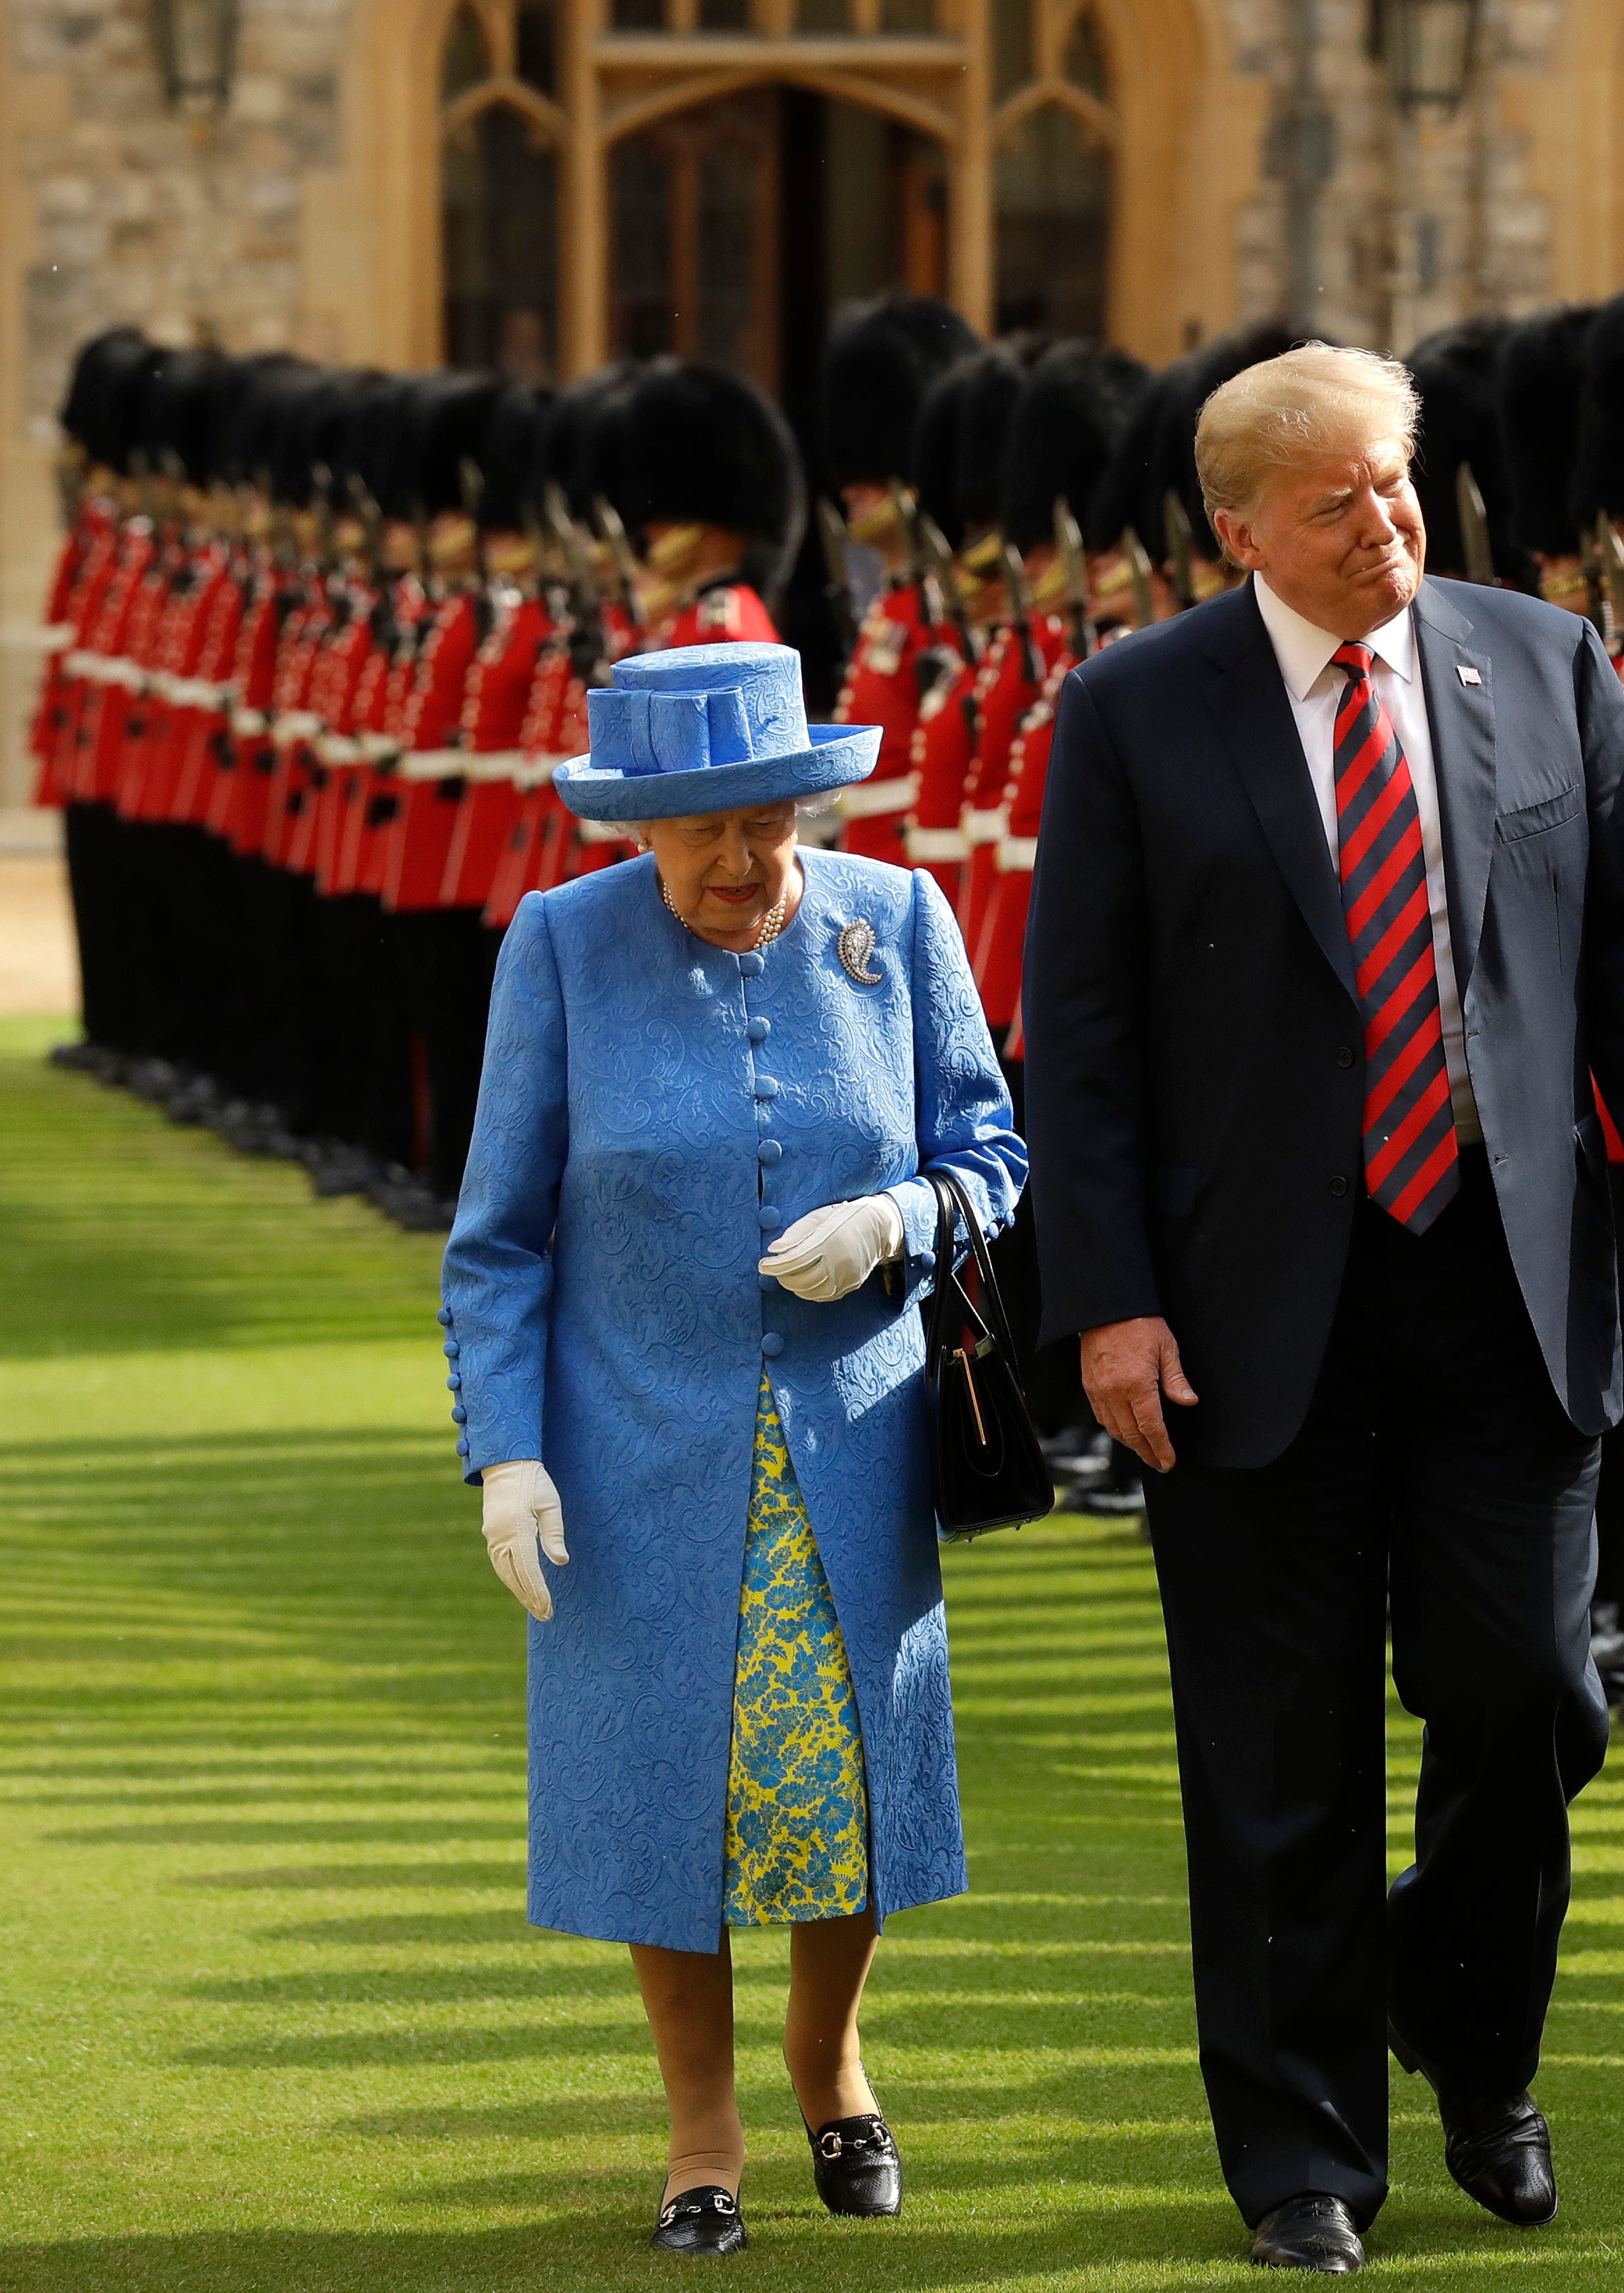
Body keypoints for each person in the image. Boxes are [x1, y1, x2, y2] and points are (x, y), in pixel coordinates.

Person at [1017, 342, 1624, 2274]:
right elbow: (1075, 1039)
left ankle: (1472, 2022)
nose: (1383, 528)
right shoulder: (1132, 708)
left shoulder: (1547, 661)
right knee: (1280, 1748)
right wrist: (1106, 1301)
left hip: (1506, 1282)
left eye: (1402, 484)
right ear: (1238, 526)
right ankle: (1303, 2153)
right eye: (1336, 501)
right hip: (1247, 1303)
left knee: (1527, 1691)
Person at [441, 637, 1027, 2255]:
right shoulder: (560, 946)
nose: (738, 859)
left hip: (853, 1442)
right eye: (699, 827)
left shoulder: (896, 916)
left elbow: (991, 1147)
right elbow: (498, 1237)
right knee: (668, 1792)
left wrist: (900, 1215)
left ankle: (828, 2057)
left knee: (837, 1781)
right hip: (634, 1449)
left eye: (766, 819)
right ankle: (702, 2122)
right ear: (635, 828)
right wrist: (508, 1449)